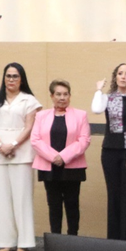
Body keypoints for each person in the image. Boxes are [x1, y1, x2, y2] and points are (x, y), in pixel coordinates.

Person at [0, 62, 41, 251]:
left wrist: (13, 144)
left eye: (15, 76)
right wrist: (1, 145)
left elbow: (29, 126)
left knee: (22, 198)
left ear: (21, 79)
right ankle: (6, 241)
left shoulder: (29, 100)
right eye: (8, 76)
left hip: (21, 152)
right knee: (2, 198)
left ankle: (24, 241)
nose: (11, 79)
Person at [30, 81, 90, 236]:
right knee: (54, 204)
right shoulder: (41, 116)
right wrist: (53, 157)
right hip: (49, 166)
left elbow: (84, 140)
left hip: (72, 166)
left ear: (69, 96)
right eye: (58, 94)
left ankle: (72, 238)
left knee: (72, 204)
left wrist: (63, 156)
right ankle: (55, 238)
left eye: (65, 94)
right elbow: (35, 140)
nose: (62, 98)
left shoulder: (80, 115)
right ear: (52, 96)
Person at [93, 64, 126, 240]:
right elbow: (96, 109)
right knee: (113, 194)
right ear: (115, 77)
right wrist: (99, 90)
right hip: (110, 151)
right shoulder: (107, 98)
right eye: (120, 73)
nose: (123, 77)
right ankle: (113, 239)